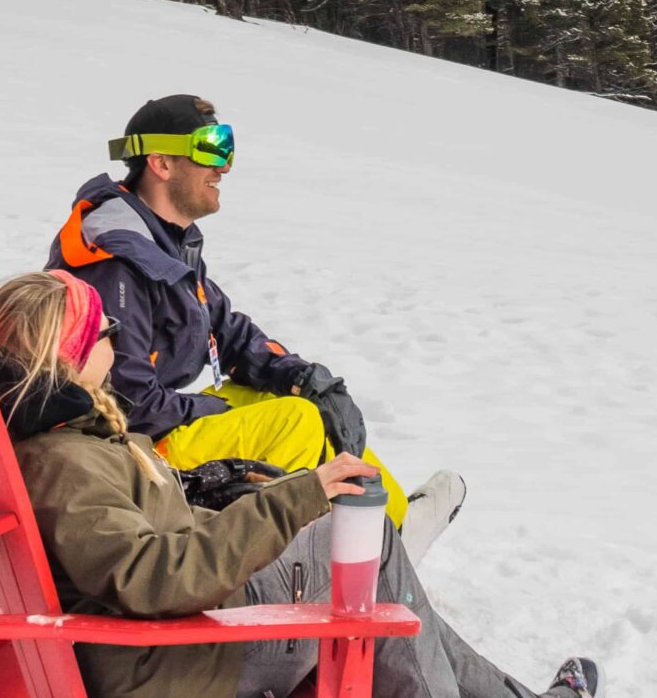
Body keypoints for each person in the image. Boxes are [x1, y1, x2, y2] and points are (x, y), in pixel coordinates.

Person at [0, 270, 599, 698]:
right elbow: (155, 577)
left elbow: (145, 547)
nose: (117, 340)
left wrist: (246, 500)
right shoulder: (64, 463)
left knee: (352, 551)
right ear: (69, 353)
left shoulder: (60, 440)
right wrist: (292, 499)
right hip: (184, 681)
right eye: (105, 331)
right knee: (366, 543)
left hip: (170, 664)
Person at [49, 92, 462, 548]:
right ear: (162, 163)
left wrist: (304, 378)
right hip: (126, 451)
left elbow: (227, 328)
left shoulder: (161, 241)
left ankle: (392, 527)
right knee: (294, 421)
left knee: (298, 401)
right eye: (209, 148)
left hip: (152, 430)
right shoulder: (116, 262)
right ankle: (345, 551)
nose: (223, 166)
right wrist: (215, 407)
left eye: (227, 146)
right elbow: (127, 404)